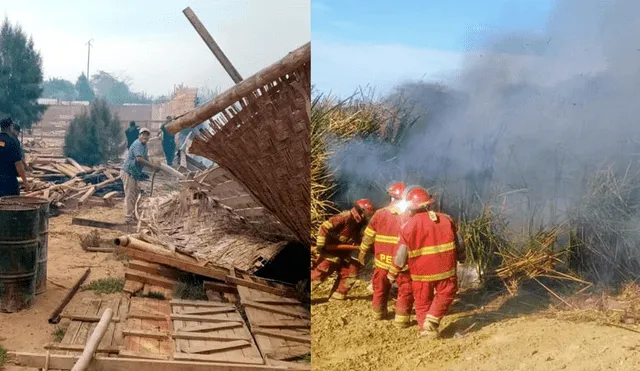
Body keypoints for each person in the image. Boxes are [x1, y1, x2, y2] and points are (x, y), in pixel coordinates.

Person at [388, 186, 466, 339]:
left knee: (422, 302)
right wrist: (462, 257)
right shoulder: (446, 219)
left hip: (421, 274)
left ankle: (427, 332)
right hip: (446, 270)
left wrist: (392, 273)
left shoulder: (407, 226)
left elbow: (401, 255)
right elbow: (460, 243)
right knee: (446, 293)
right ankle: (433, 318)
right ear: (429, 204)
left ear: (410, 207)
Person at [358, 182, 413, 327]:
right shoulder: (410, 216)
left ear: (391, 197)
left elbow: (368, 236)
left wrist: (362, 251)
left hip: (382, 262)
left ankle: (378, 313)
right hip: (402, 264)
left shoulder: (379, 214)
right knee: (405, 289)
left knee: (380, 288)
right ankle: (401, 320)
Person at [311, 199, 375, 300]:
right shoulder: (344, 217)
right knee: (320, 273)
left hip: (347, 252)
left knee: (350, 273)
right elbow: (324, 227)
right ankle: (302, 294)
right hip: (331, 252)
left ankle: (337, 296)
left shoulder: (360, 225)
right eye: (365, 215)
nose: (365, 218)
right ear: (360, 212)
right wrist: (320, 246)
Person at [121, 128, 160, 224]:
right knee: (130, 195)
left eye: (147, 135)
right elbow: (139, 159)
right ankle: (128, 218)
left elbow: (145, 159)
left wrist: (154, 166)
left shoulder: (144, 146)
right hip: (128, 172)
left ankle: (132, 215)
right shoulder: (138, 144)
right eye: (143, 134)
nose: (145, 137)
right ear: (139, 135)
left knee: (134, 194)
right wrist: (152, 166)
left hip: (134, 174)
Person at [0, 117, 30, 196]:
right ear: (10, 127)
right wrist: (25, 182)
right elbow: (18, 164)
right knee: (11, 204)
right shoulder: (12, 141)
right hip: (9, 182)